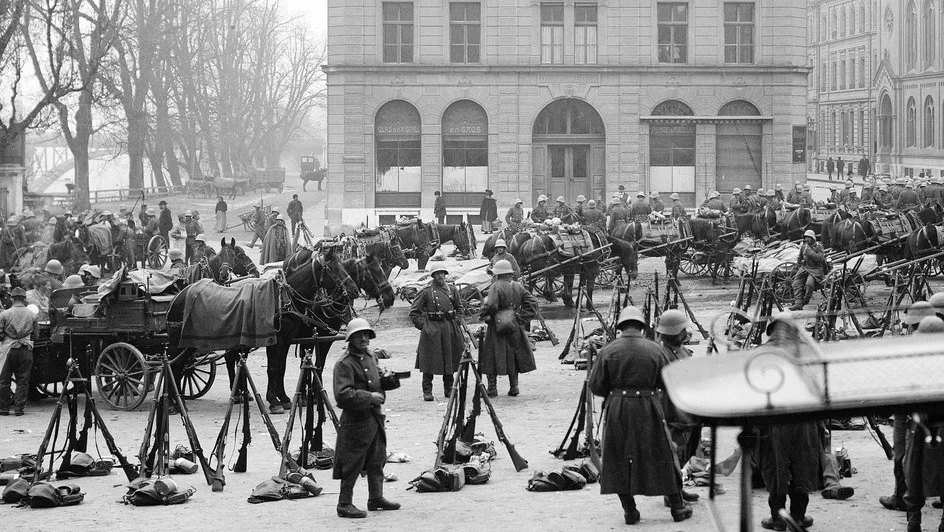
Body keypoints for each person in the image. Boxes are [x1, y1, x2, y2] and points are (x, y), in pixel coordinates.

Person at [589, 306, 692, 525]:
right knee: (662, 454)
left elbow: (596, 386)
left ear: (620, 327)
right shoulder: (655, 350)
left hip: (618, 408)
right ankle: (677, 507)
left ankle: (630, 511)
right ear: (643, 328)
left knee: (618, 457)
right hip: (649, 407)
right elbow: (668, 381)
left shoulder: (608, 351)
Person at [333, 318, 401, 519]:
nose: (363, 338)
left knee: (377, 459)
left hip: (374, 418)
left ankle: (376, 498)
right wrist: (369, 397)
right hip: (355, 421)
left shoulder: (371, 357)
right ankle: (344, 503)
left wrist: (389, 379)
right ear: (350, 339)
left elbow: (376, 381)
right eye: (358, 336)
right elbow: (342, 395)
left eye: (366, 335)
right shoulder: (344, 364)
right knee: (351, 463)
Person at [758, 313, 820, 531]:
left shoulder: (760, 352)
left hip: (773, 419)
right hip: (803, 418)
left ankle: (778, 518)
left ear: (771, 330)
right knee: (803, 465)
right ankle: (798, 517)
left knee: (775, 468)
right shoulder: (809, 350)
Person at [655, 309, 701, 505]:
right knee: (674, 451)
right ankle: (671, 493)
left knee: (686, 449)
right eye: (683, 330)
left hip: (688, 408)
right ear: (675, 332)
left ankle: (677, 489)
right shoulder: (661, 353)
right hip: (672, 408)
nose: (686, 334)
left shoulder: (680, 350)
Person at [479, 260, 537, 397]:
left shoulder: (495, 286)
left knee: (491, 355)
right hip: (514, 326)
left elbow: (491, 305)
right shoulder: (518, 286)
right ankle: (514, 387)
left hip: (496, 326)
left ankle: (492, 388)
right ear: (509, 273)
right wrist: (521, 319)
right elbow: (532, 302)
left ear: (497, 274)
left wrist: (484, 315)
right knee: (514, 355)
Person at [409, 266, 464, 402]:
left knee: (449, 357)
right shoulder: (426, 291)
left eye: (442, 273)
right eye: (437, 274)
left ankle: (449, 388)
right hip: (432, 328)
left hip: (449, 327)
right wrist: (425, 327)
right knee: (429, 360)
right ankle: (427, 391)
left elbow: (460, 308)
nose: (440, 276)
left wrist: (456, 321)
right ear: (433, 276)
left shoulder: (452, 290)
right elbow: (414, 312)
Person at [0, 287, 39, 416]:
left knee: (4, 380)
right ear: (24, 299)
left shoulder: (4, 314)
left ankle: (4, 408)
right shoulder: (32, 314)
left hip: (8, 349)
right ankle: (19, 409)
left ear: (12, 299)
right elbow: (36, 335)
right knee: (23, 381)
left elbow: (0, 335)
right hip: (26, 349)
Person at [789, 230, 827, 311]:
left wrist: (809, 252)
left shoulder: (819, 247)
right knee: (796, 283)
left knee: (809, 284)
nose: (807, 239)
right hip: (805, 268)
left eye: (809, 238)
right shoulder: (803, 247)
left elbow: (820, 259)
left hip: (816, 269)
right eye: (805, 237)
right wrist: (800, 265)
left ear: (813, 238)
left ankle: (804, 301)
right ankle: (798, 303)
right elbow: (799, 259)